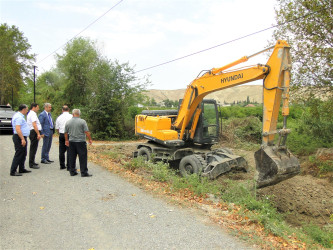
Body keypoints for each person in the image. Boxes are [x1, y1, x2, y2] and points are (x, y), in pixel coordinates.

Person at [64, 109, 92, 177]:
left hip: (72, 141)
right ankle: (84, 172)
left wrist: (66, 140)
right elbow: (86, 131)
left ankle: (72, 171)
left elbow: (65, 132)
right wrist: (90, 139)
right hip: (81, 142)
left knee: (72, 156)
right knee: (82, 157)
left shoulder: (68, 122)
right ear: (79, 114)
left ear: (73, 114)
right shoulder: (82, 121)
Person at [10, 104, 31, 176]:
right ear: (23, 109)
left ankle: (21, 168)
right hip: (19, 137)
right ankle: (13, 171)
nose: (27, 111)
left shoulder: (20, 116)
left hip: (21, 136)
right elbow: (18, 129)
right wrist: (22, 139)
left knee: (23, 153)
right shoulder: (19, 117)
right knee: (19, 153)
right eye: (27, 109)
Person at [55, 105, 72, 170]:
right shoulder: (71, 116)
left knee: (61, 150)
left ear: (62, 110)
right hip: (69, 134)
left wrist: (60, 133)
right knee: (69, 150)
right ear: (68, 110)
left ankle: (62, 165)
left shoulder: (59, 117)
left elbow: (57, 128)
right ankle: (69, 165)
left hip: (62, 134)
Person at [27, 103, 42, 169]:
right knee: (33, 148)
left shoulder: (31, 113)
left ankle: (32, 161)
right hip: (34, 132)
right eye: (37, 107)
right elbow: (34, 124)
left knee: (34, 147)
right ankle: (31, 163)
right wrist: (38, 133)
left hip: (33, 131)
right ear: (34, 107)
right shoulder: (32, 114)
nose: (38, 109)